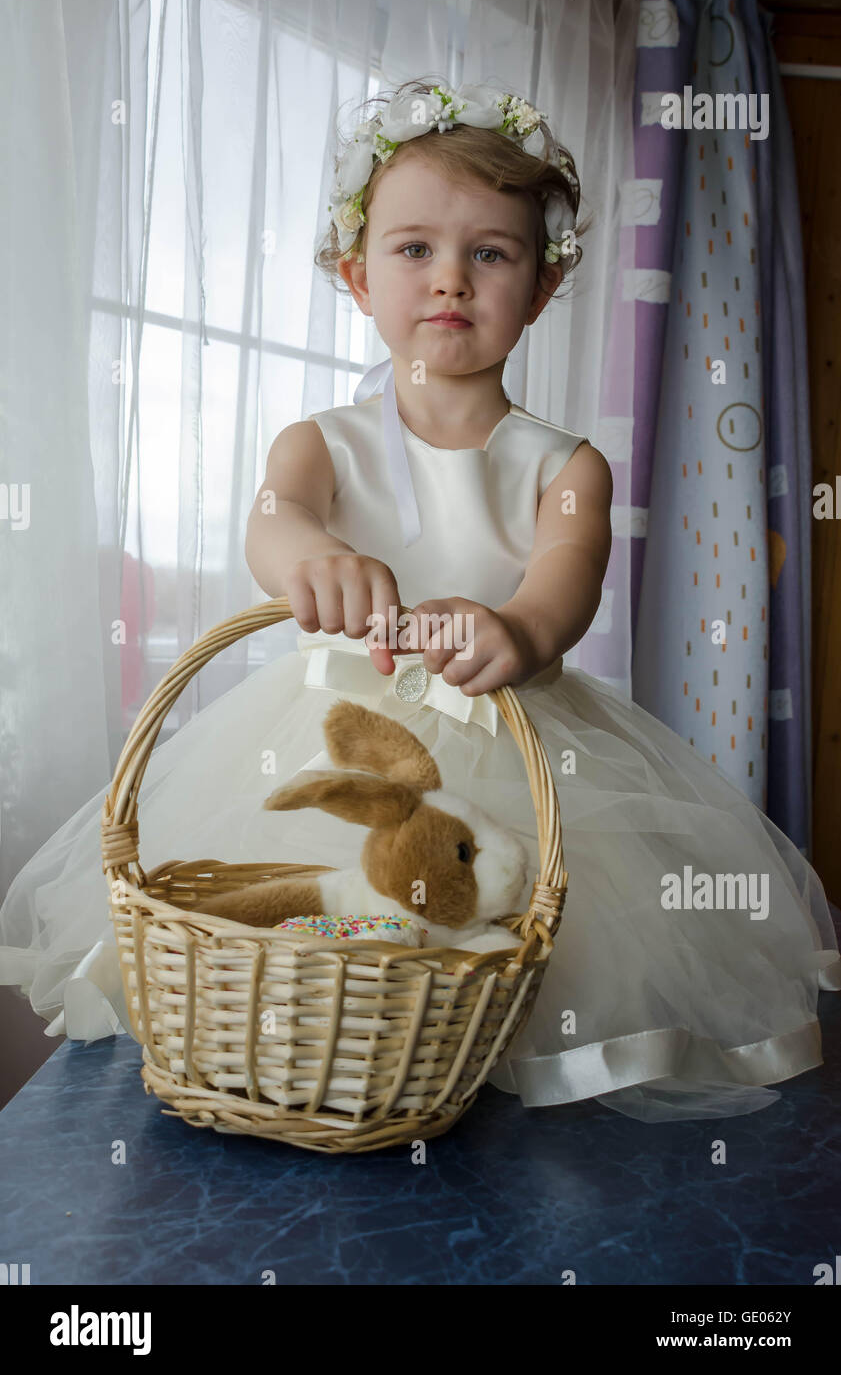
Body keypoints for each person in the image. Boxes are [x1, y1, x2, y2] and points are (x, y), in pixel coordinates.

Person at [2, 79, 839, 1124]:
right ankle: (323, 1054)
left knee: (513, 935)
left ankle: (456, 1067)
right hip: (337, 727)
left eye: (490, 253)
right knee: (319, 914)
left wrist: (519, 628)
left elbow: (565, 581)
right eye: (413, 250)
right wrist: (308, 555)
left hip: (513, 728)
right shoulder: (318, 442)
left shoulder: (566, 462)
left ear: (539, 288)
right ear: (355, 276)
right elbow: (275, 521)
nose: (450, 278)